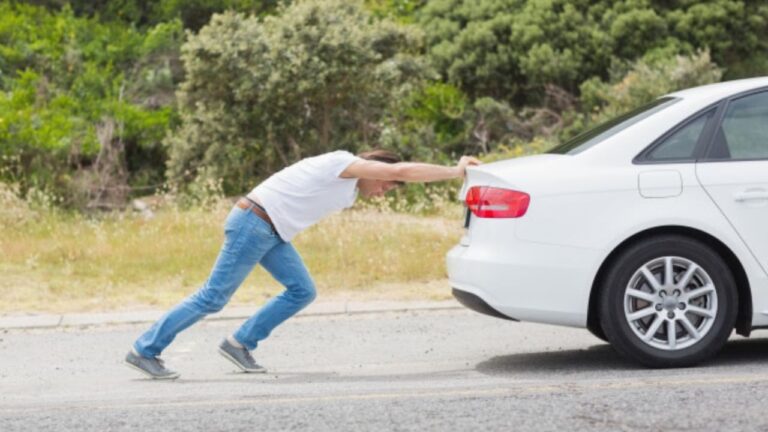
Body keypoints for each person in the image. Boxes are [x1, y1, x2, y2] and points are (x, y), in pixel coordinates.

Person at [125, 149, 481, 379]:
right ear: (379, 170)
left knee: (302, 290)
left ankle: (238, 343)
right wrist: (456, 170)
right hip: (255, 223)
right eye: (388, 186)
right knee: (213, 297)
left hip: (270, 230)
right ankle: (145, 349)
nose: (384, 192)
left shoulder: (349, 185)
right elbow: (404, 168)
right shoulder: (342, 164)